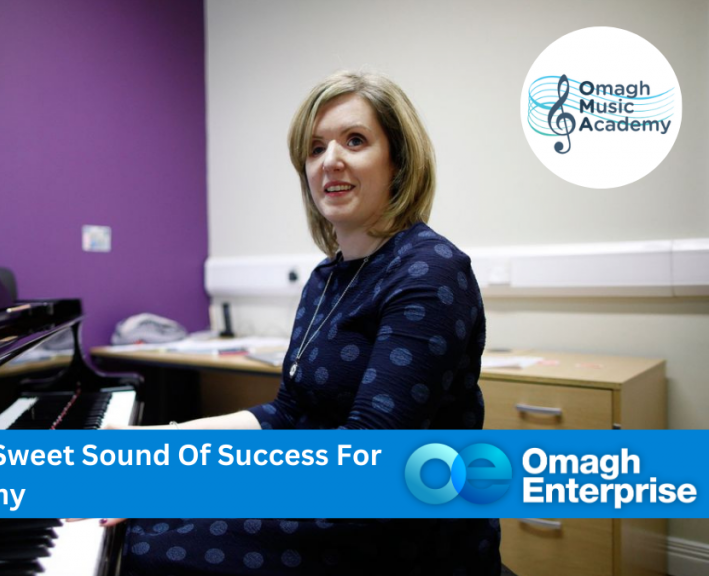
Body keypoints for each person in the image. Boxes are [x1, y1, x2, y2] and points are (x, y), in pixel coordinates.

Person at [101, 70, 499, 575]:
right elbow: (288, 412)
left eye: (355, 141)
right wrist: (165, 444)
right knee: (134, 524)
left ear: (398, 161)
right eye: (315, 149)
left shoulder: (430, 269)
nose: (330, 161)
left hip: (396, 534)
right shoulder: (326, 279)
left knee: (143, 543)